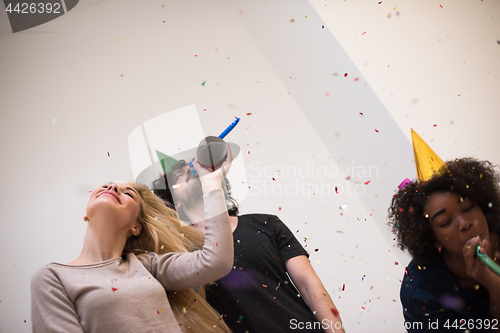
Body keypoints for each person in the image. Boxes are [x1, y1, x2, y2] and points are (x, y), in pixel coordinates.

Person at [30, 156, 234, 333]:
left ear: (136, 227)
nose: (113, 187)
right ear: (86, 214)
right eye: (105, 186)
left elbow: (216, 261)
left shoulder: (147, 266)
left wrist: (212, 183)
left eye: (129, 194)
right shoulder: (53, 279)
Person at [153, 159, 345, 333]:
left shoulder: (266, 224)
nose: (191, 171)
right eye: (180, 175)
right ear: (174, 203)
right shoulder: (180, 255)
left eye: (193, 168)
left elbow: (309, 285)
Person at [388, 158, 500, 332]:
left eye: (468, 207)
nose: (464, 223)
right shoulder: (421, 295)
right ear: (433, 238)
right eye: (445, 222)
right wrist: (495, 286)